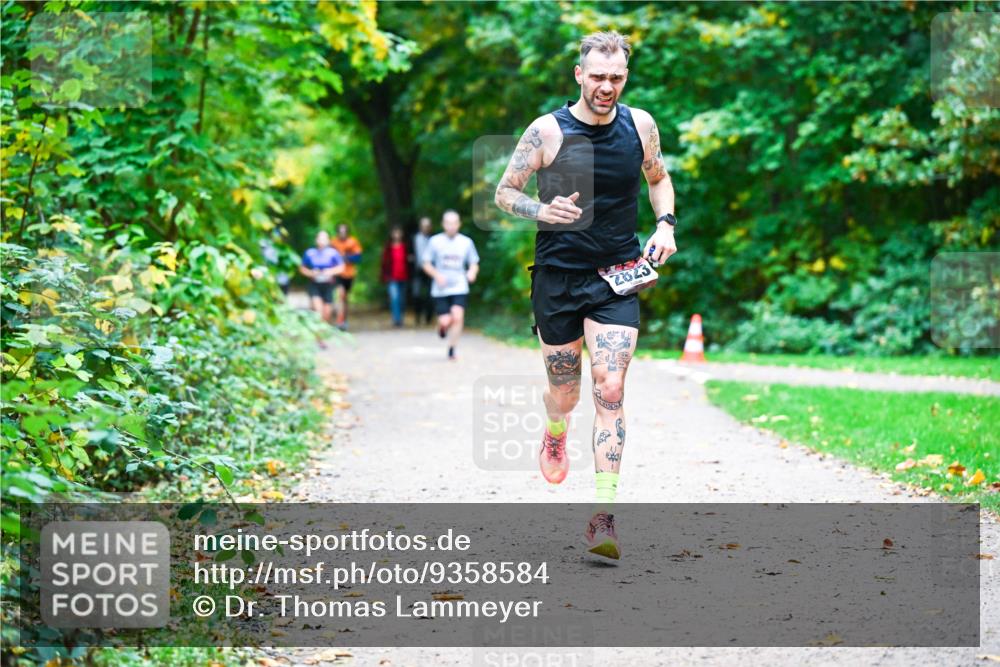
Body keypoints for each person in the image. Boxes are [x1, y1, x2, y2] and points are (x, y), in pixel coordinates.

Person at [494, 31, 678, 559]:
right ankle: (555, 427)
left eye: (616, 77)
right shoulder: (547, 131)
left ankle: (603, 518)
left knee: (611, 386)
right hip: (558, 276)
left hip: (617, 274)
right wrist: (539, 210)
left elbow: (659, 180)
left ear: (625, 76)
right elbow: (505, 192)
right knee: (567, 394)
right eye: (597, 76)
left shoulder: (640, 125)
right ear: (579, 74)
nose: (606, 86)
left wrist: (664, 224)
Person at [421, 210, 480, 361]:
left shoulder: (466, 242)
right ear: (443, 225)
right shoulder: (435, 241)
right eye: (448, 223)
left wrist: (472, 272)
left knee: (458, 316)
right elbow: (426, 263)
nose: (451, 226)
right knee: (446, 320)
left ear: (459, 224)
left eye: (454, 223)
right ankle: (442, 326)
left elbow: (474, 262)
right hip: (440, 289)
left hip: (459, 286)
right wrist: (437, 275)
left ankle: (452, 349)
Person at [300, 230, 345, 327]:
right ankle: (319, 337)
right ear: (316, 240)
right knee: (318, 311)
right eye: (320, 238)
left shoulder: (333, 253)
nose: (322, 241)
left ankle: (322, 331)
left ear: (328, 240)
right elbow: (302, 268)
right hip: (315, 285)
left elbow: (341, 267)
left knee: (327, 312)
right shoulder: (309, 253)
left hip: (328, 285)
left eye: (324, 238)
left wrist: (330, 272)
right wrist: (311, 273)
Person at [331, 223, 363, 331]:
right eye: (340, 231)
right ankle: (339, 321)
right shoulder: (333, 242)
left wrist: (346, 258)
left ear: (347, 232)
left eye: (344, 231)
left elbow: (358, 257)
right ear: (338, 232)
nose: (342, 233)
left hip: (349, 274)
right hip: (337, 274)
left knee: (344, 298)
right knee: (340, 294)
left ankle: (343, 319)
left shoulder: (353, 242)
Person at [381, 226, 410, 327]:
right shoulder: (388, 247)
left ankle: (400, 317)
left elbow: (408, 261)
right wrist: (385, 276)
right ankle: (397, 319)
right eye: (395, 233)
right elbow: (384, 263)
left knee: (402, 299)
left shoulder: (405, 246)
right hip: (392, 277)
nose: (397, 235)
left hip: (403, 276)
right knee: (395, 298)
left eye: (399, 233)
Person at [411, 217, 435, 325]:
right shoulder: (414, 238)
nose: (425, 228)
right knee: (416, 294)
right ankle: (417, 315)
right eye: (423, 226)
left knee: (430, 295)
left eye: (427, 226)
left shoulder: (435, 239)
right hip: (418, 271)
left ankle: (428, 317)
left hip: (431, 271)